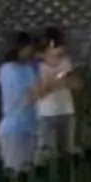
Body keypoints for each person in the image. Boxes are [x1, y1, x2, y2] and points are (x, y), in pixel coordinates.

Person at [0, 32, 42, 174]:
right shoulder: (8, 70)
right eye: (27, 48)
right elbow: (28, 95)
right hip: (15, 130)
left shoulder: (28, 68)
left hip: (32, 127)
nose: (30, 51)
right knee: (17, 174)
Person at [34, 27, 79, 162]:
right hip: (47, 115)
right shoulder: (38, 67)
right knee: (48, 154)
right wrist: (53, 84)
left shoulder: (66, 63)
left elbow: (76, 84)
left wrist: (68, 81)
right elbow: (37, 94)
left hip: (66, 111)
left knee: (68, 151)